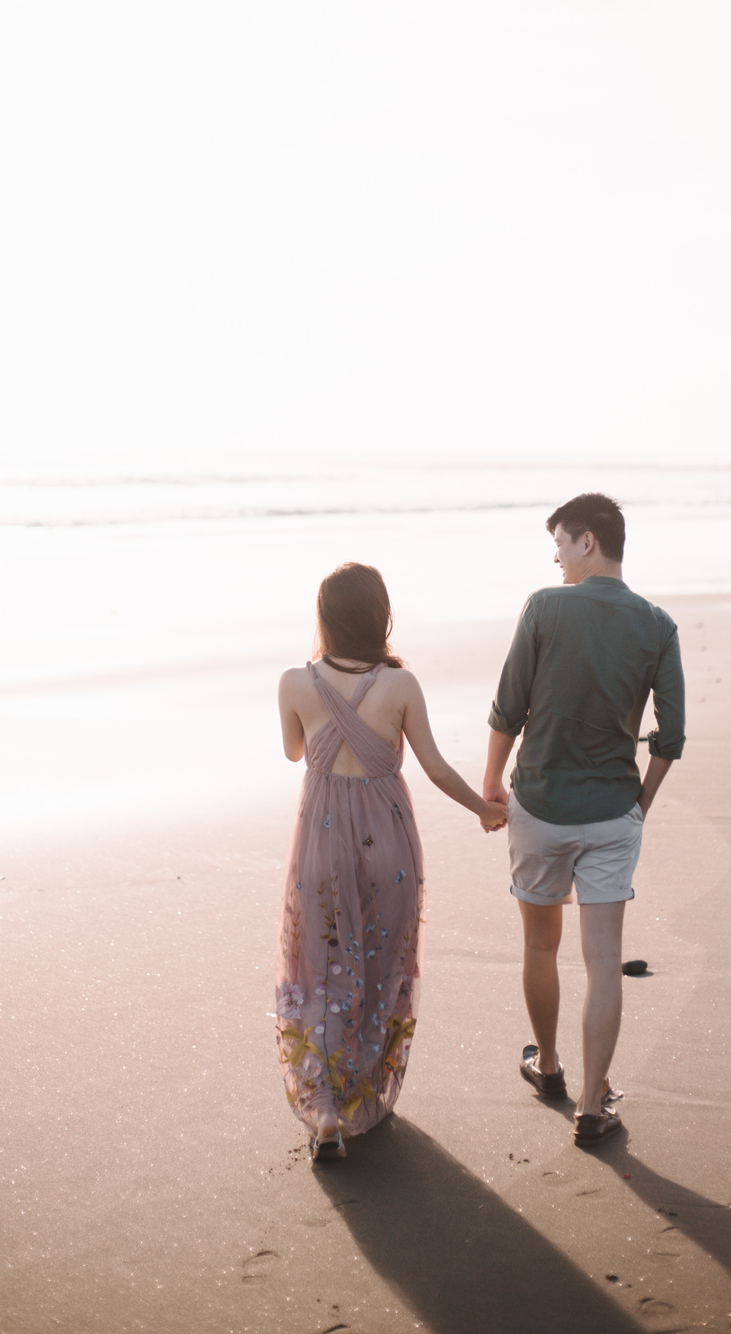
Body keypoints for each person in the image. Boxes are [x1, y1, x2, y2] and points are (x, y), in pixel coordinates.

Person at [276, 561, 505, 1161]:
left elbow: (294, 750)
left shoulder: (295, 682)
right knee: (383, 963)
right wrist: (483, 809)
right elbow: (433, 766)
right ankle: (361, 1092)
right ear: (382, 618)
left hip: (321, 838)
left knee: (321, 965)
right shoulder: (401, 685)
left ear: (324, 617)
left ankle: (324, 1104)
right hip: (389, 838)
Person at [482, 494, 685, 1146]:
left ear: (588, 541)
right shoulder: (657, 625)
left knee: (540, 944)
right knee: (603, 962)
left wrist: (489, 785)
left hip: (539, 806)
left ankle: (546, 1067)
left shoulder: (544, 606)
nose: (556, 556)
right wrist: (639, 803)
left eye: (561, 543)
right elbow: (670, 736)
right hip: (611, 814)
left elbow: (507, 708)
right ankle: (593, 1105)